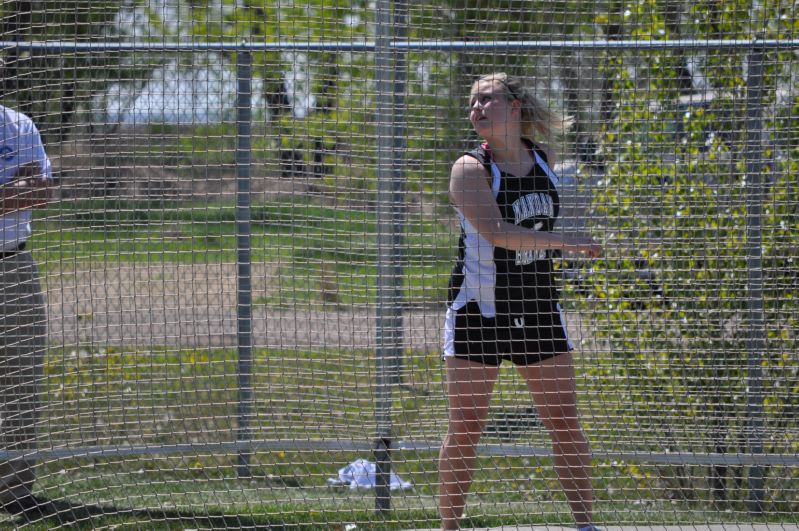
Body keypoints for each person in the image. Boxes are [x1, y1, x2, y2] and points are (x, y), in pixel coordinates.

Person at [439, 72, 602, 531]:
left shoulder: (543, 159)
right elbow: (496, 233)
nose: (476, 108)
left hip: (537, 308)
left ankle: (586, 524)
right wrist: (566, 241)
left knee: (563, 420)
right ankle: (449, 526)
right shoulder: (470, 168)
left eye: (486, 99)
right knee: (467, 427)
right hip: (480, 311)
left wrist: (559, 243)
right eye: (472, 102)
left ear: (514, 107)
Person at [0, 100, 56, 522]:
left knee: (22, 377)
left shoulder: (20, 125)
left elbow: (44, 192)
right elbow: (25, 191)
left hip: (15, 264)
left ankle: (14, 491)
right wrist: (14, 190)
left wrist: (19, 193)